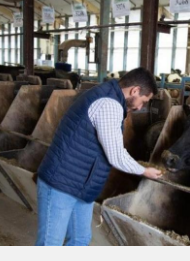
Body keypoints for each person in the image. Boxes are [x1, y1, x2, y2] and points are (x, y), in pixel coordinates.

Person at [35, 67, 162, 246]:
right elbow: (116, 155)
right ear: (135, 90)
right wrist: (144, 171)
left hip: (82, 185)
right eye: (144, 100)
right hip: (61, 184)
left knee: (81, 239)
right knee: (50, 244)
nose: (141, 107)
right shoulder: (109, 104)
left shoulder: (107, 95)